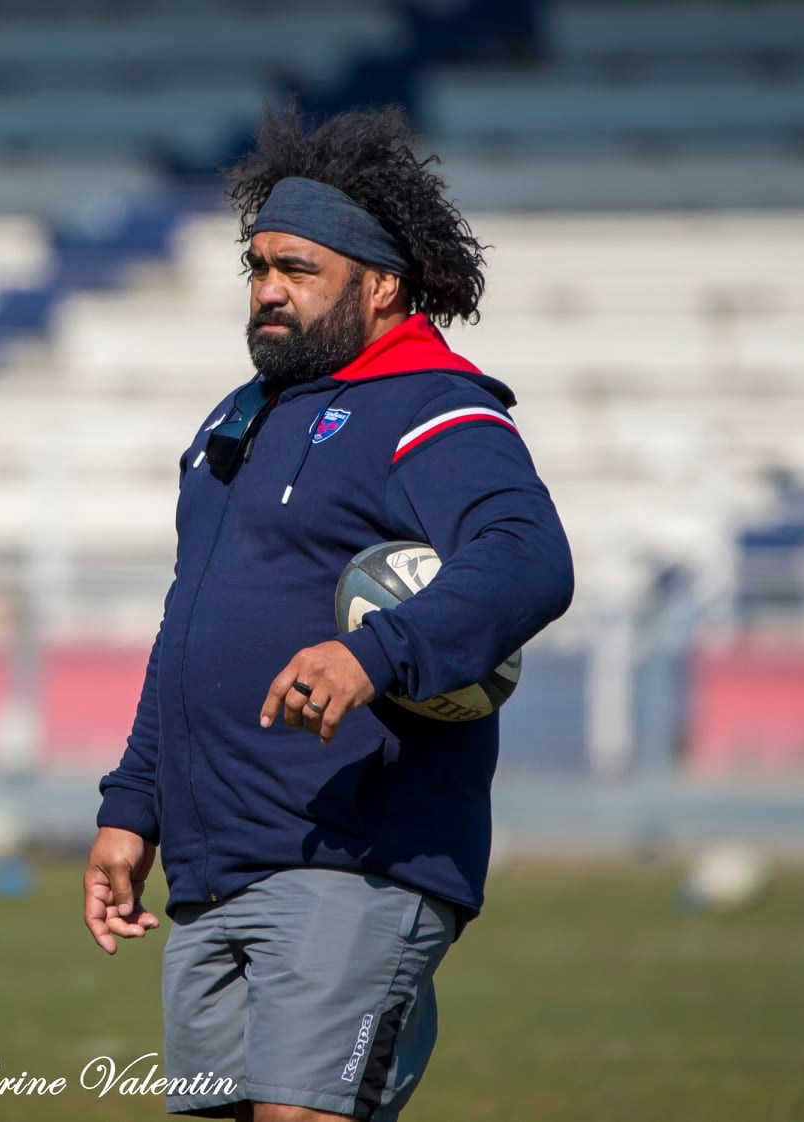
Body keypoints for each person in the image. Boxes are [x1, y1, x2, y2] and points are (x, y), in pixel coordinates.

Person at [81, 106, 575, 1121]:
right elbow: (191, 625)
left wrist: (378, 653)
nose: (267, 291)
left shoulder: (433, 405)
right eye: (257, 267)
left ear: (381, 283)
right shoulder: (238, 418)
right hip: (215, 871)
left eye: (298, 270)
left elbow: (526, 559)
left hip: (357, 867)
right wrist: (134, 808)